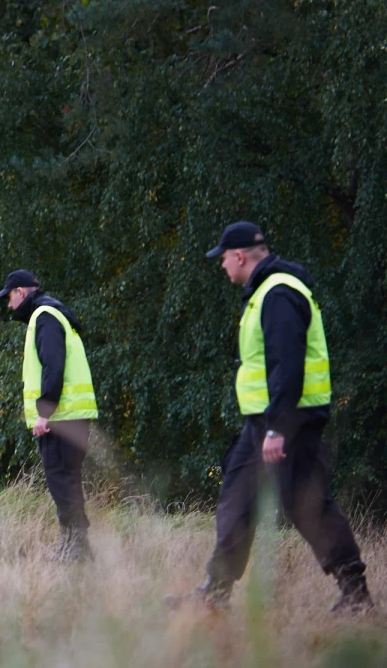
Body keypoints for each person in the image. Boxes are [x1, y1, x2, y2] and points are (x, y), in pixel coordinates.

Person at [167, 222, 373, 612]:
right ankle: (215, 594)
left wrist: (278, 427)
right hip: (263, 421)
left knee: (307, 503)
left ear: (240, 256)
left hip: (289, 420)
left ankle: (356, 595)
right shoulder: (266, 293)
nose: (223, 266)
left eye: (224, 258)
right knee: (236, 498)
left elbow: (288, 366)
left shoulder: (278, 294)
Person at [0, 269, 99, 561]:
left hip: (61, 418)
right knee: (67, 479)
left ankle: (75, 547)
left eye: (8, 297)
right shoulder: (51, 314)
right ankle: (77, 547)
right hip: (71, 415)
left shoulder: (45, 316)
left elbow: (53, 366)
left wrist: (44, 413)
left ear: (20, 291)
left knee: (61, 479)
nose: (8, 305)